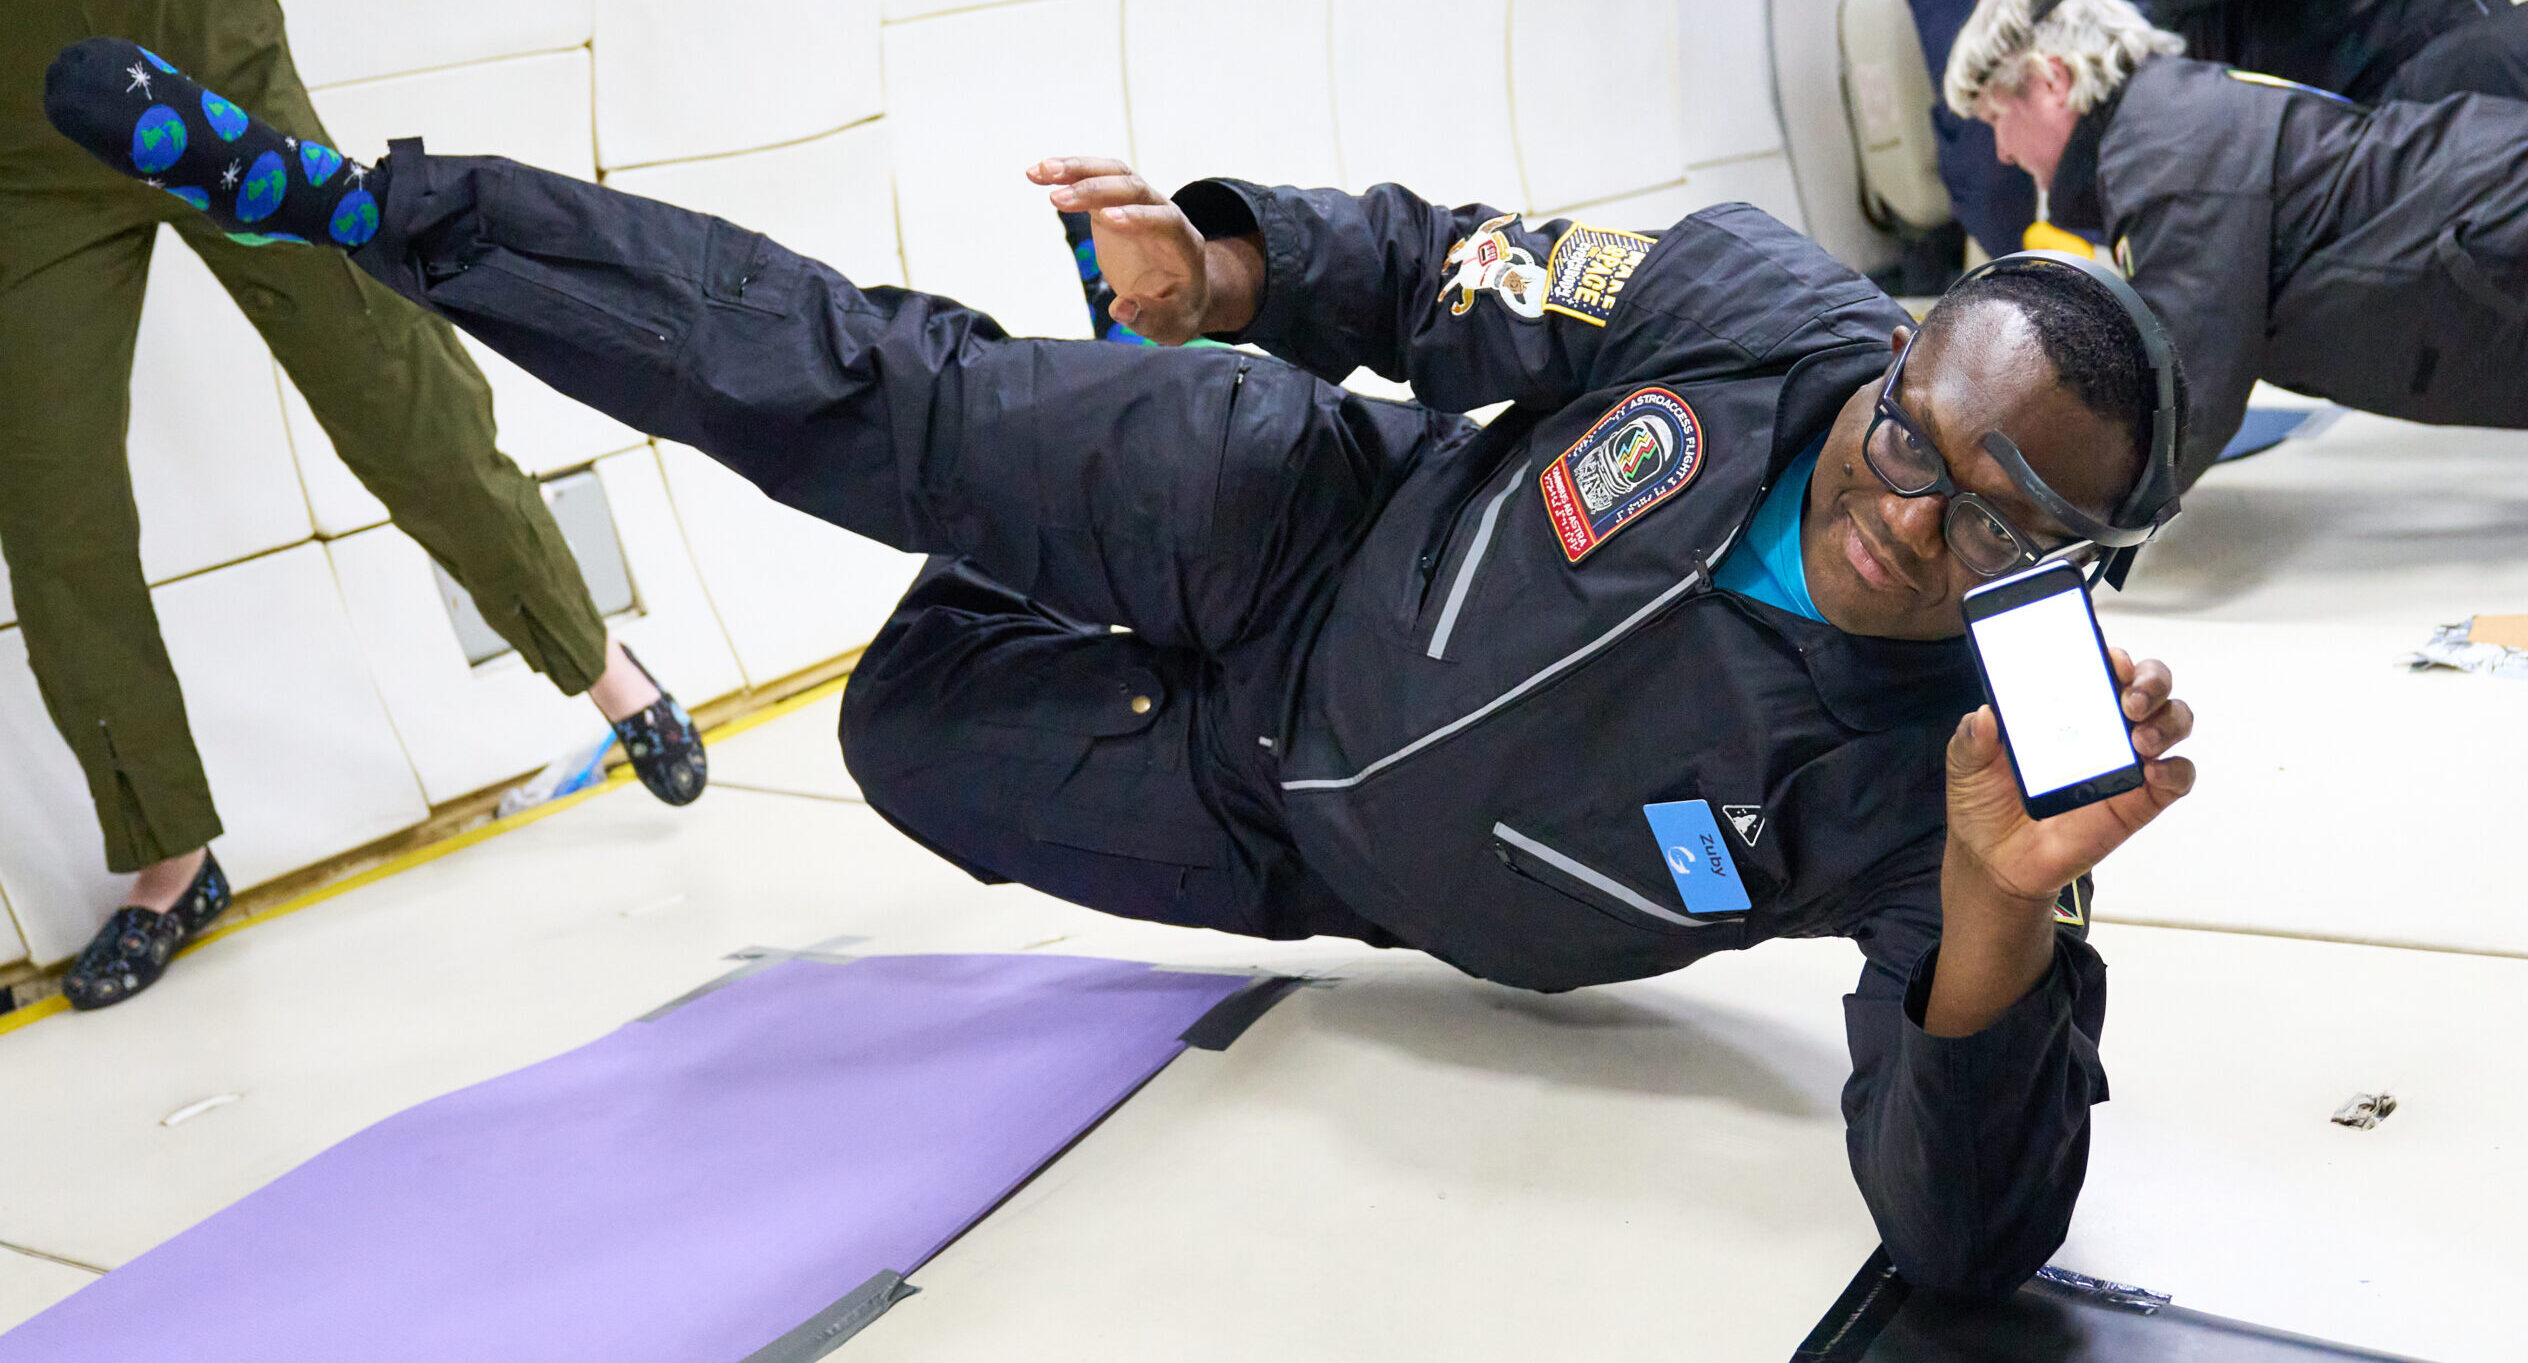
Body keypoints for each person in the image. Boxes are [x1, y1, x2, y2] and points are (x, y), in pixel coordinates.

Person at [39, 36, 2203, 1295]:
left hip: (1285, 837)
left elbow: (1959, 1238)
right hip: (1289, 512)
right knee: (884, 396)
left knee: (907, 731)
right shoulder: (1750, 309)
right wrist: (1231, 266)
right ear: (1899, 343)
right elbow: (1447, 269)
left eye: (2008, 515)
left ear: (2087, 558)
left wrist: (1997, 930)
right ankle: (359, 203)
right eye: (1918, 426)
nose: (1916, 507)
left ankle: (1012, 496)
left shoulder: (1993, 775)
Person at [0, 7, 709, 1012]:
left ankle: (599, 663)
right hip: (25, 139)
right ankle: (170, 859)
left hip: (211, 75)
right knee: (52, 513)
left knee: (402, 404)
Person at [1950, 0, 2528, 488]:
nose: (2000, 150)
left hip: (2494, 225)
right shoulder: (2165, 122)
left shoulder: (2166, 149)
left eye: (1995, 116)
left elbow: (2190, 391)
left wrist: (2056, 521)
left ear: (2052, 80)